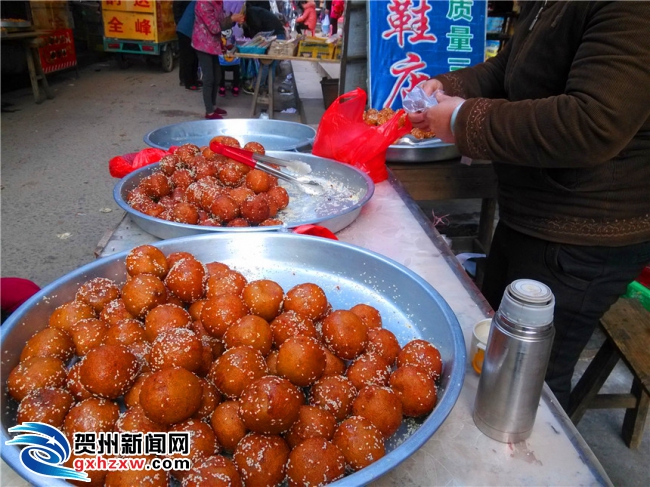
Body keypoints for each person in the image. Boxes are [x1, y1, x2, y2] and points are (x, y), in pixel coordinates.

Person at [408, 1, 650, 411]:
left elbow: (592, 122)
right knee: (491, 351)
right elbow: (509, 69)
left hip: (582, 237)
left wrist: (463, 119)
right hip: (528, 214)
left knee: (532, 387)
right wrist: (452, 86)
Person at [192, 1, 244, 119]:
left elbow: (221, 22)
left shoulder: (218, 2)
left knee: (217, 76)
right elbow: (215, 28)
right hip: (202, 44)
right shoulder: (203, 3)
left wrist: (233, 20)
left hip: (213, 44)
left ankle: (213, 106)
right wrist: (231, 19)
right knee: (209, 78)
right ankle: (209, 111)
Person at [174, 0, 201, 90]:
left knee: (194, 56)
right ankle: (188, 82)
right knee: (189, 57)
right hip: (185, 31)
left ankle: (194, 79)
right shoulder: (202, 3)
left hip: (190, 30)